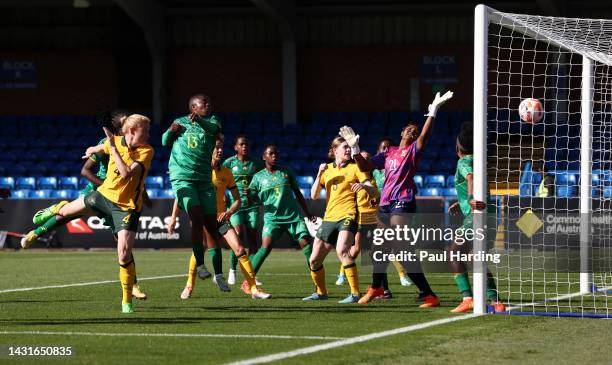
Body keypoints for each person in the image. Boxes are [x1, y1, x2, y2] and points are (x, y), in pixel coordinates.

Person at [26, 114, 154, 313]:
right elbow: (97, 149)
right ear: (131, 131)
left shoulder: (147, 151)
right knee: (68, 211)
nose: (148, 134)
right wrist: (93, 149)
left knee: (123, 253)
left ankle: (126, 301)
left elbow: (127, 173)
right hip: (103, 195)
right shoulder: (114, 142)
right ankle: (56, 207)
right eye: (145, 130)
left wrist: (112, 149)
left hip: (126, 207)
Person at [345, 90, 455, 308]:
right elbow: (365, 166)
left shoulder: (413, 151)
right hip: (386, 203)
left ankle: (424, 294)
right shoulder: (389, 153)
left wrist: (432, 112)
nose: (413, 133)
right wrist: (355, 148)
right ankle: (382, 288)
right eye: (410, 130)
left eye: (415, 131)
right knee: (382, 247)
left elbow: (424, 137)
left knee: (398, 245)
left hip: (403, 201)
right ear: (403, 131)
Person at [168, 136, 270, 300]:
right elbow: (182, 194)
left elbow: (237, 199)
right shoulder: (198, 171)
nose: (220, 150)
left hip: (221, 219)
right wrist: (173, 218)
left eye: (221, 147)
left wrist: (229, 212)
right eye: (217, 147)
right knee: (200, 251)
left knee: (239, 249)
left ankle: (253, 289)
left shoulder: (226, 172)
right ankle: (189, 285)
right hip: (203, 219)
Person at [303, 137, 374, 304]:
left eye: (349, 147)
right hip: (329, 219)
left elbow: (372, 188)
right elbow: (313, 196)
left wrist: (363, 186)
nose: (348, 150)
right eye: (345, 147)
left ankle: (355, 294)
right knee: (314, 260)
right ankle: (321, 293)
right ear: (335, 151)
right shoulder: (326, 169)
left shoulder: (356, 168)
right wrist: (319, 174)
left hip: (348, 216)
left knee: (342, 251)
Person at [162, 94, 221, 284]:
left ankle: (219, 274)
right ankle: (201, 265)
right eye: (204, 104)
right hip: (183, 177)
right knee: (196, 217)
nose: (208, 105)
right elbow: (164, 141)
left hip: (204, 179)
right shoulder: (179, 122)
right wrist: (171, 131)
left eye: (209, 103)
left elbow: (214, 129)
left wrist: (201, 122)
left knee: (211, 226)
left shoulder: (212, 121)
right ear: (193, 108)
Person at [447, 122, 505, 313]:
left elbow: (470, 178)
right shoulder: (480, 160)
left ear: (458, 148)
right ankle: (496, 301)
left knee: (455, 252)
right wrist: (462, 201)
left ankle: (468, 298)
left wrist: (470, 200)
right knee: (476, 257)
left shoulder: (463, 162)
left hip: (476, 215)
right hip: (490, 213)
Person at [245, 144, 316, 294]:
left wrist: (308, 213)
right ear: (264, 157)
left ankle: (319, 284)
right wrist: (248, 195)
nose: (274, 156)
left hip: (293, 217)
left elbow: (297, 193)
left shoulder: (286, 172)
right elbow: (252, 201)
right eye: (271, 154)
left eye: (276, 153)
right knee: (265, 248)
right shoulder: (257, 178)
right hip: (273, 219)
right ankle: (247, 282)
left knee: (306, 244)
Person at [222, 135, 264, 285]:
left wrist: (254, 192)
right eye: (241, 144)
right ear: (236, 147)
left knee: (253, 240)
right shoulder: (228, 163)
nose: (244, 146)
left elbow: (263, 181)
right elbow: (221, 179)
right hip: (235, 206)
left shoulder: (257, 163)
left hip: (252, 206)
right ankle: (232, 270)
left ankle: (251, 274)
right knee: (237, 235)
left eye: (246, 144)